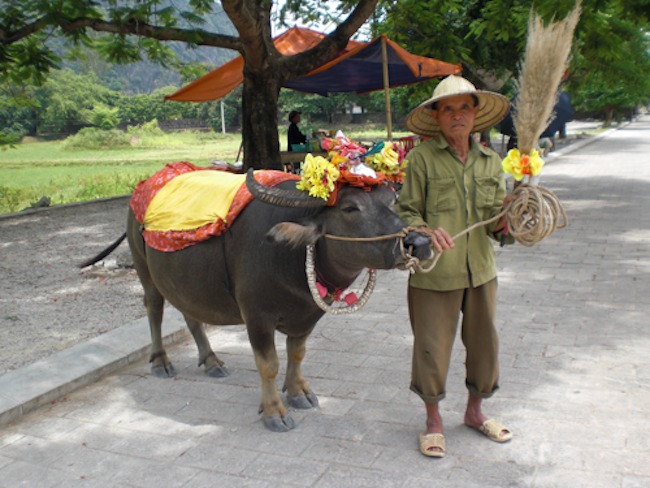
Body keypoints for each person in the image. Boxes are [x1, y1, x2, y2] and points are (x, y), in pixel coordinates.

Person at [396, 74, 514, 458]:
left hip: (481, 270)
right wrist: (426, 232)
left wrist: (510, 221)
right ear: (437, 115)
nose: (458, 115)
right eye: (449, 108)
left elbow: (498, 226)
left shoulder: (491, 162)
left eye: (465, 107)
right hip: (435, 276)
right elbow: (406, 214)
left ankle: (475, 412)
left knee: (485, 345)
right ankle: (433, 421)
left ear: (475, 113)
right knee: (431, 348)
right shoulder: (420, 159)